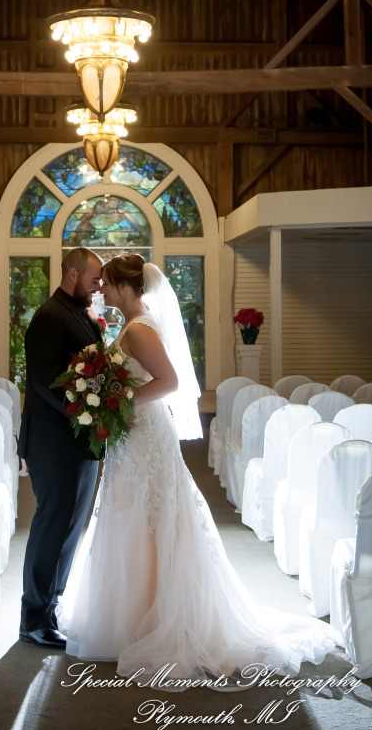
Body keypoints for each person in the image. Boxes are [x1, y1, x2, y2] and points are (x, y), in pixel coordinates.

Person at [58, 254, 338, 680]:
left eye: (109, 284)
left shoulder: (140, 327)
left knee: (150, 515)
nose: (105, 290)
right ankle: (129, 618)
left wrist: (117, 400)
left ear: (126, 287)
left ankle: (155, 620)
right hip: (131, 435)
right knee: (129, 516)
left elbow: (169, 382)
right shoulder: (132, 324)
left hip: (145, 433)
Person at [19, 247, 103, 648]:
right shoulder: (49, 317)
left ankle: (50, 606)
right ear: (72, 274)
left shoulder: (78, 315)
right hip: (54, 442)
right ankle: (33, 616)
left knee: (71, 528)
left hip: (80, 441)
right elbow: (43, 379)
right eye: (94, 278)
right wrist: (84, 412)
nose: (98, 285)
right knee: (52, 525)